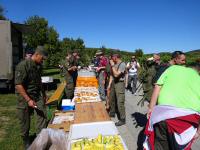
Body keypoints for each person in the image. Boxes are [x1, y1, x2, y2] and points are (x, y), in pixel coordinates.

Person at [144, 63, 200, 150]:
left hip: (163, 114)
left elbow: (157, 86)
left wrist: (151, 108)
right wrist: (198, 132)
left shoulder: (172, 69)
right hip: (187, 121)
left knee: (160, 144)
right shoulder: (198, 78)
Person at [15, 46, 48, 149]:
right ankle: (26, 140)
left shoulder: (39, 66)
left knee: (42, 114)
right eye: (42, 58)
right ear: (36, 54)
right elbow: (18, 85)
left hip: (37, 95)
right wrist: (28, 99)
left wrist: (44, 94)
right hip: (24, 97)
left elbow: (39, 81)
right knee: (25, 121)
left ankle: (40, 138)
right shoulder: (23, 65)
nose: (42, 61)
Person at [109, 53, 126, 126]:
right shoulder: (115, 64)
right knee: (111, 99)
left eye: (112, 57)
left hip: (119, 83)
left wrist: (112, 65)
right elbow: (112, 75)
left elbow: (116, 74)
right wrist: (109, 84)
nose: (111, 58)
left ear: (115, 57)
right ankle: (112, 112)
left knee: (120, 102)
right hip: (114, 83)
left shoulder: (122, 64)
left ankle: (122, 119)